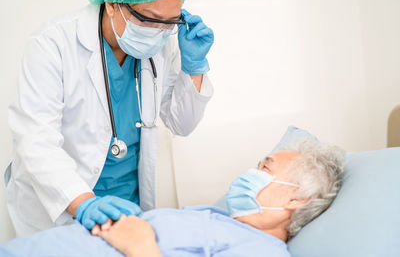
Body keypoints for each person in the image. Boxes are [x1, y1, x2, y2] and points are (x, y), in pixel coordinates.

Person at [6, 0, 214, 236]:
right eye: (148, 19)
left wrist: (194, 67)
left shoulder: (163, 44)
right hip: (64, 205)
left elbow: (182, 124)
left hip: (127, 207)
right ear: (113, 3)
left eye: (170, 22)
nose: (158, 31)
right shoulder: (52, 44)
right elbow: (36, 141)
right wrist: (83, 202)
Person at [0, 140, 345, 257]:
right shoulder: (216, 217)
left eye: (265, 168)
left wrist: (140, 246)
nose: (251, 172)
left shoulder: (263, 250)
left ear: (297, 199)